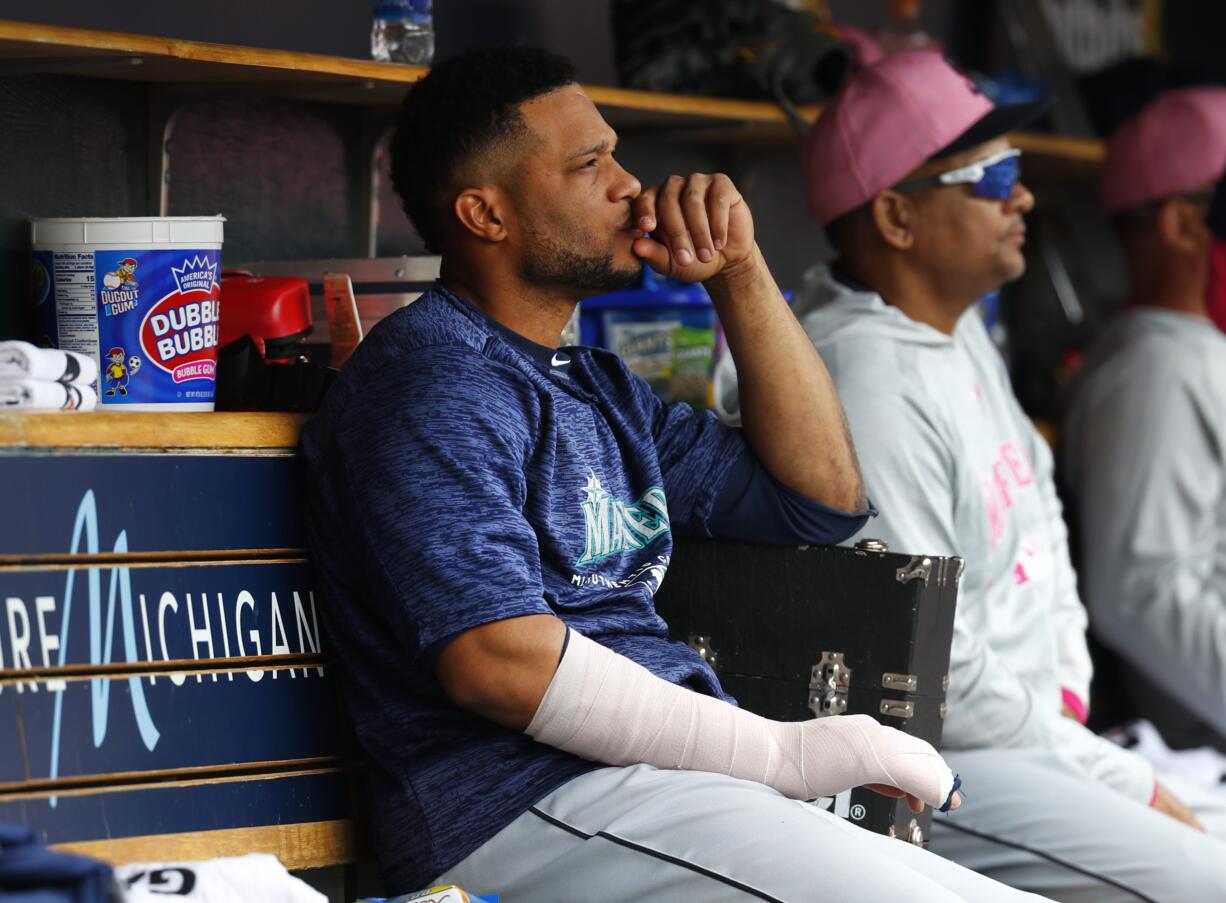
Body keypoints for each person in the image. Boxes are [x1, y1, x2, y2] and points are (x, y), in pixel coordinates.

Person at [299, 46, 1045, 903]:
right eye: (589, 165)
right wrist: (772, 750)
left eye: (616, 154)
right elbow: (495, 658)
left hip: (661, 783)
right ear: (485, 213)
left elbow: (822, 500)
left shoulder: (599, 385)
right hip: (523, 805)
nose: (630, 186)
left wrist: (739, 272)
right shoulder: (433, 382)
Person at [715, 51, 1226, 900]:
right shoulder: (864, 374)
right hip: (938, 756)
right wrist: (1108, 769)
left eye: (1017, 168)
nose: (1022, 197)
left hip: (1038, 737)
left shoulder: (956, 329)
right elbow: (930, 663)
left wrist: (1068, 697)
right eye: (992, 177)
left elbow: (1043, 528)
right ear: (897, 217)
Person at [1063, 89, 1226, 754]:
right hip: (1198, 759)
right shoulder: (1157, 372)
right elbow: (1140, 595)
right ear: (1180, 225)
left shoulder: (1196, 350)